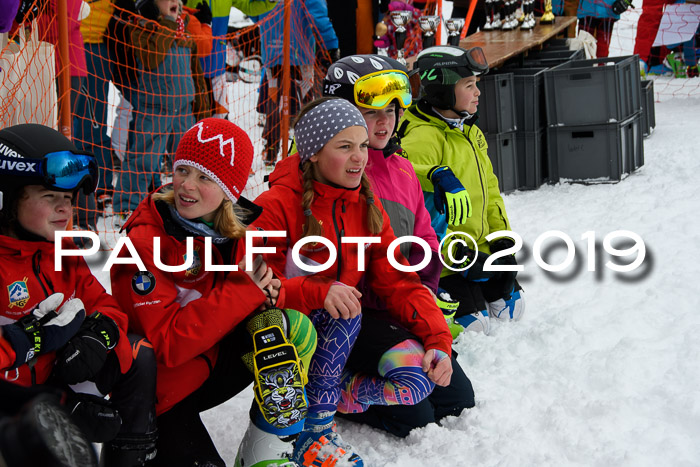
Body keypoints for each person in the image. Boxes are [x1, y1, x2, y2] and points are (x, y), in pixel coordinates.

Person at [252, 97, 454, 466]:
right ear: (312, 152)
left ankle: (333, 392)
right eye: (344, 147)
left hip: (341, 336)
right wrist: (315, 291)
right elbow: (253, 282)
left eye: (362, 146)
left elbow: (399, 281)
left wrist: (438, 340)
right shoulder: (278, 202)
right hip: (285, 332)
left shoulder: (366, 205)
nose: (360, 157)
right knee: (347, 310)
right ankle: (313, 429)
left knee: (419, 382)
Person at [109, 118, 318, 467]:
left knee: (287, 327)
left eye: (204, 178)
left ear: (229, 190)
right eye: (183, 171)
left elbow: (263, 289)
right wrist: (243, 291)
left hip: (207, 366)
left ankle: (267, 448)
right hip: (160, 393)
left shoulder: (229, 229)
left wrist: (299, 293)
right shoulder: (145, 243)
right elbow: (166, 345)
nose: (187, 186)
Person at [320, 54, 475, 437]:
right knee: (415, 414)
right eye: (371, 111)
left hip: (399, 302)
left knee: (456, 398)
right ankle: (331, 388)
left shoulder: (402, 168)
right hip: (347, 319)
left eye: (392, 108)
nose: (385, 120)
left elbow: (424, 241)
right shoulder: (333, 171)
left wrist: (428, 319)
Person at [0, 123, 158, 466]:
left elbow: (106, 305)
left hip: (52, 384)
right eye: (49, 197)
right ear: (7, 198)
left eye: (69, 200)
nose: (64, 209)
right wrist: (24, 341)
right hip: (10, 403)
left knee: (137, 351)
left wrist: (98, 335)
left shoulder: (64, 249)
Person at [398, 45, 525, 333]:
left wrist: (502, 241)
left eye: (476, 84)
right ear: (441, 90)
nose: (478, 92)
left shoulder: (471, 132)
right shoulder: (422, 138)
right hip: (446, 261)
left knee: (514, 311)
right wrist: (453, 255)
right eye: (469, 85)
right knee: (476, 327)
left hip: (479, 251)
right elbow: (407, 191)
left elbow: (490, 190)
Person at [113, 0, 209, 220]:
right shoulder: (141, 27)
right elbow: (151, 59)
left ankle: (189, 203)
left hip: (183, 108)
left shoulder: (185, 32)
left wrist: (201, 103)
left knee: (188, 161)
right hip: (154, 107)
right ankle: (128, 205)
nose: (175, 2)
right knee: (143, 158)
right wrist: (166, 24)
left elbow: (195, 71)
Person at [250, 0, 339, 166]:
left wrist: (268, 19)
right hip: (300, 52)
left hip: (272, 49)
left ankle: (270, 150)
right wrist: (331, 45)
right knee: (306, 103)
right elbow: (318, 16)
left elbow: (254, 11)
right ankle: (309, 148)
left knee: (275, 100)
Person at [184, 0, 279, 119]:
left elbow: (249, 6)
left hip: (216, 68)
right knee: (191, 124)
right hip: (187, 70)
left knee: (219, 124)